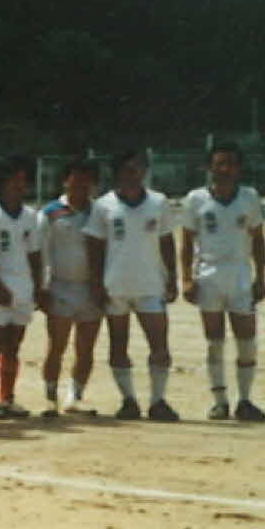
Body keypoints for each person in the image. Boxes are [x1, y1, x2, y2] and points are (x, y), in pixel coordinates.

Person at [84, 149, 180, 422]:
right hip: (115, 285)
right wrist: (96, 283)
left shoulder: (158, 202)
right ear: (117, 172)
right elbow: (95, 246)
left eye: (138, 168)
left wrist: (171, 276)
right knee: (118, 344)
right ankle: (128, 400)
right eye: (127, 168)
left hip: (151, 284)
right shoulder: (103, 205)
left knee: (159, 344)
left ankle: (158, 401)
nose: (133, 174)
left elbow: (166, 241)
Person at [181, 144, 265, 421]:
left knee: (247, 341)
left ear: (238, 168)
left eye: (230, 163)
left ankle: (245, 400)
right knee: (214, 341)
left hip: (241, 273)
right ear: (210, 168)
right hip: (209, 273)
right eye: (219, 164)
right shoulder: (195, 199)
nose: (225, 169)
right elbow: (186, 242)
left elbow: (258, 239)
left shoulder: (249, 197)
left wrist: (261, 277)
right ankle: (220, 401)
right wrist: (186, 278)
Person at [0, 155, 44, 418]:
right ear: (2, 183)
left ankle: (8, 397)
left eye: (22, 180)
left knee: (14, 347)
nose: (19, 185)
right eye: (13, 180)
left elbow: (35, 254)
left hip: (23, 286)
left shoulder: (31, 216)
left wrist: (38, 286)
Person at [38, 157, 103, 417]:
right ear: (65, 181)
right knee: (57, 345)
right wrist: (42, 288)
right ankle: (50, 397)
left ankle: (74, 396)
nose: (81, 184)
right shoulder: (50, 213)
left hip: (90, 288)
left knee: (86, 347)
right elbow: (41, 253)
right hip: (60, 287)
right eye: (75, 178)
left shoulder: (100, 212)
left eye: (86, 179)